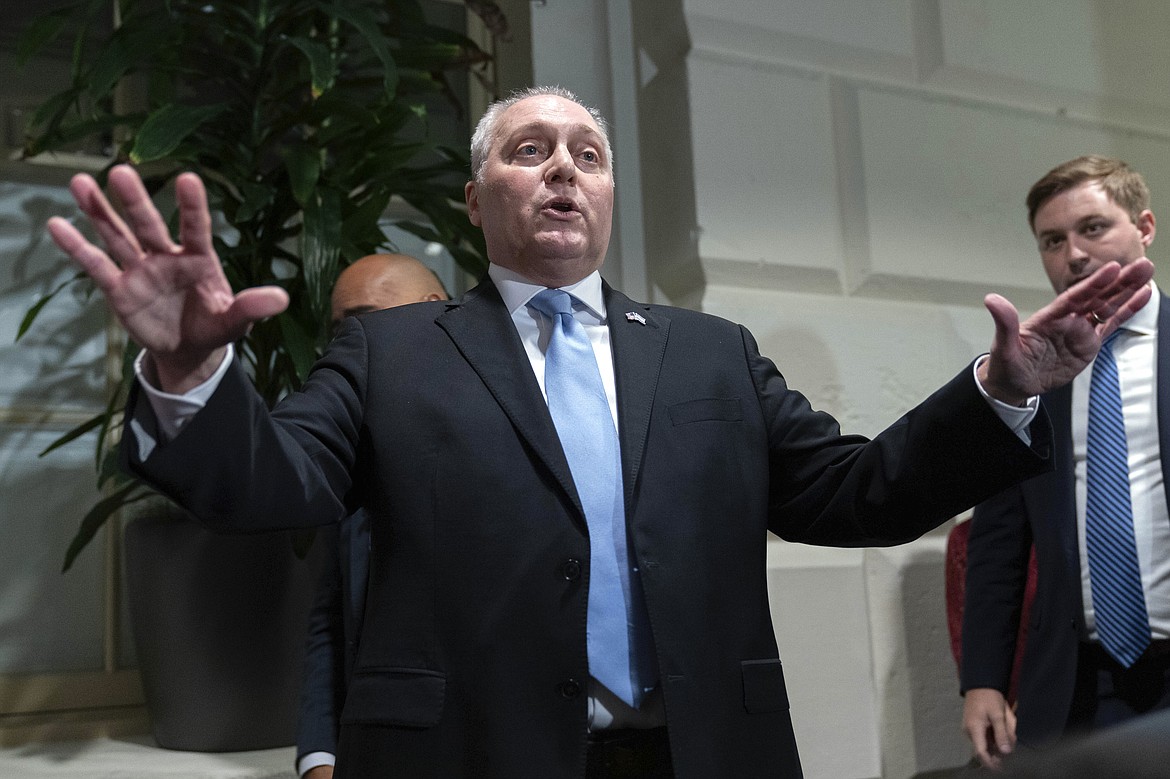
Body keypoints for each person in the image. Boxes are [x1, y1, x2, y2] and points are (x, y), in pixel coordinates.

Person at [46, 87, 1154, 778]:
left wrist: (1002, 387)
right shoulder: (396, 351)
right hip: (470, 753)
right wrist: (190, 373)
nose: (565, 165)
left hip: (702, 750)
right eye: (530, 148)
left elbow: (859, 490)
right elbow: (275, 483)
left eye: (588, 149)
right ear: (477, 203)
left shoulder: (710, 352)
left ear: (611, 194)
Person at [960, 155, 1170, 771]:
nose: (1074, 254)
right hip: (1079, 681)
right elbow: (997, 544)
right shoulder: (1026, 375)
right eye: (1053, 241)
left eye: (1094, 228)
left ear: (1145, 227)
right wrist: (983, 679)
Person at [296, 254, 448, 779]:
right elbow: (331, 620)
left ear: (434, 313)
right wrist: (319, 757)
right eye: (339, 329)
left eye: (362, 320)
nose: (347, 343)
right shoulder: (352, 454)